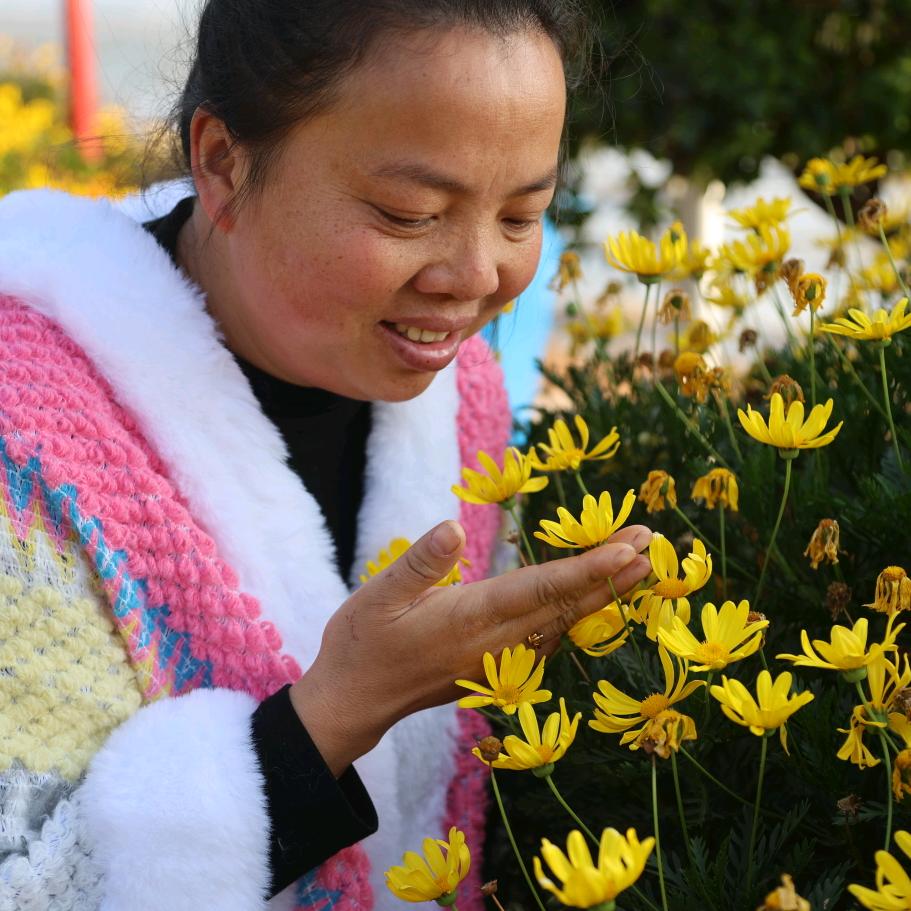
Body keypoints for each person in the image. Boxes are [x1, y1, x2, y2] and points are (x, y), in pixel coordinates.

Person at [0, 2, 652, 909]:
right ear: (222, 163)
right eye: (408, 213)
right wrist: (336, 714)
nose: (474, 277)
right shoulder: (24, 437)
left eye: (521, 214)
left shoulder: (459, 393)